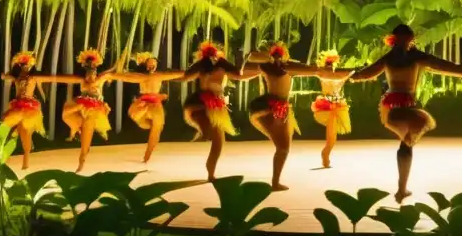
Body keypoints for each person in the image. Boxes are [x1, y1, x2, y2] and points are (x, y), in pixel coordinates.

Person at [349, 23, 462, 203]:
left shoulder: (390, 57)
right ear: (409, 38)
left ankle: (402, 188)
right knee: (406, 143)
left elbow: (366, 73)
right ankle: (401, 188)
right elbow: (442, 65)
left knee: (406, 143)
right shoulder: (414, 56)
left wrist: (353, 75)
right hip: (402, 106)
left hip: (392, 107)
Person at [243, 42, 338, 190]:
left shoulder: (267, 67)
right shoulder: (284, 67)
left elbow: (247, 61)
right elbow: (314, 71)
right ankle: (275, 182)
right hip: (277, 109)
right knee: (283, 148)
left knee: (281, 148)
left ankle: (275, 182)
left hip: (266, 107)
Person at [183, 41, 255, 182]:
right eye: (209, 55)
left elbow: (239, 74)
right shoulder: (202, 66)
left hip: (216, 103)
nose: (213, 57)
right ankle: (203, 132)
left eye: (214, 54)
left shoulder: (222, 65)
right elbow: (186, 75)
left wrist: (257, 72)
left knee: (219, 142)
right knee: (214, 137)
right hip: (203, 101)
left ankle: (210, 173)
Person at [43, 49, 117, 172]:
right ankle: (75, 131)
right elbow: (65, 79)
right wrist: (49, 78)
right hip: (82, 106)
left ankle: (82, 160)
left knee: (86, 140)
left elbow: (111, 74)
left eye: (92, 73)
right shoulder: (82, 81)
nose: (90, 77)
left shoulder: (101, 79)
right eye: (88, 74)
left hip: (95, 109)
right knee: (66, 113)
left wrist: (111, 75)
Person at [111, 51, 187, 163]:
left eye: (153, 63)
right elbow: (125, 77)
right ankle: (143, 113)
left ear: (156, 65)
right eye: (149, 63)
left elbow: (178, 75)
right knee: (143, 122)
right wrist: (111, 74)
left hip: (154, 103)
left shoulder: (160, 76)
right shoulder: (141, 77)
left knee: (156, 129)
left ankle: (148, 154)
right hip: (143, 101)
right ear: (146, 65)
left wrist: (192, 72)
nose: (151, 65)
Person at [0, 51, 47, 170]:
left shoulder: (33, 78)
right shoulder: (16, 78)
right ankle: (3, 152)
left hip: (29, 107)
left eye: (27, 66)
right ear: (20, 67)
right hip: (17, 105)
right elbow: (5, 76)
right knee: (5, 121)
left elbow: (45, 79)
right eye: (23, 66)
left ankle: (26, 161)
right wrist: (4, 75)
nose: (25, 68)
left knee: (26, 133)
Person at [310, 49, 355, 169]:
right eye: (328, 63)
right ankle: (325, 154)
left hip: (337, 105)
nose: (329, 66)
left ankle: (326, 153)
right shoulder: (322, 74)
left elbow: (352, 73)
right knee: (331, 136)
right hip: (327, 105)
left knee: (333, 137)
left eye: (331, 63)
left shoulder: (338, 75)